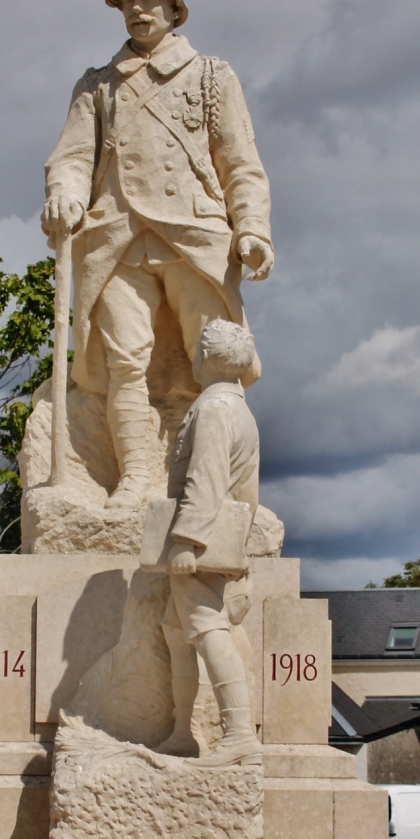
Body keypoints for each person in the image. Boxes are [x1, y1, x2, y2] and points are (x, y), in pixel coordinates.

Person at [42, 0, 273, 510]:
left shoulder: (213, 76)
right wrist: (65, 193)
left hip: (195, 233)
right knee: (125, 364)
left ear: (174, 8)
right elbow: (71, 157)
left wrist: (253, 227)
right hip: (116, 235)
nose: (137, 9)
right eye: (128, 1)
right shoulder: (96, 85)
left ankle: (208, 483)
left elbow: (239, 162)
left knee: (214, 362)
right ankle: (135, 480)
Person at [159, 319, 261, 766]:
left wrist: (186, 541)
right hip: (212, 544)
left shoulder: (217, 408)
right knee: (176, 629)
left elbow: (207, 478)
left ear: (205, 359)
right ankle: (184, 731)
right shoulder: (230, 404)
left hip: (202, 548)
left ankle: (239, 735)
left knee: (207, 631)